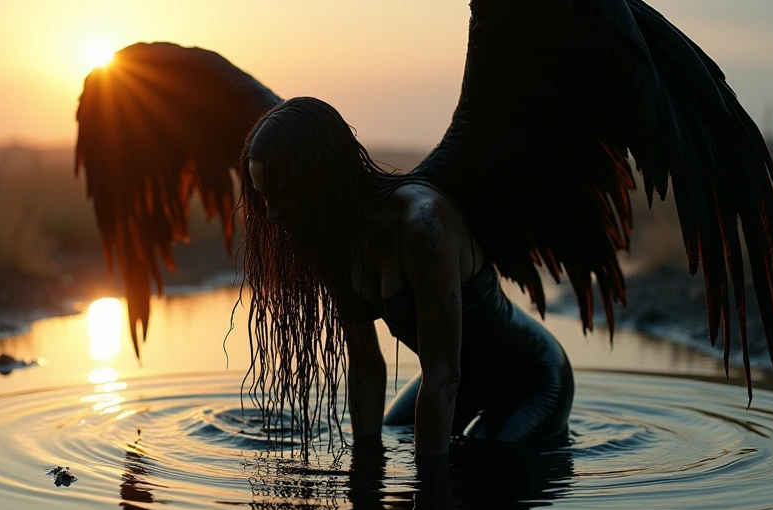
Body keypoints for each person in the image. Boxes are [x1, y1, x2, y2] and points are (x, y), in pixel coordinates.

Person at [237, 96, 575, 459]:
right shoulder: (328, 240)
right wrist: (365, 476)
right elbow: (366, 366)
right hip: (458, 377)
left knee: (479, 464)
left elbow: (443, 376)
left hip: (530, 379)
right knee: (392, 433)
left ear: (319, 178)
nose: (270, 214)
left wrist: (427, 493)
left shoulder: (422, 224)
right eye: (264, 197)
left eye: (282, 195)